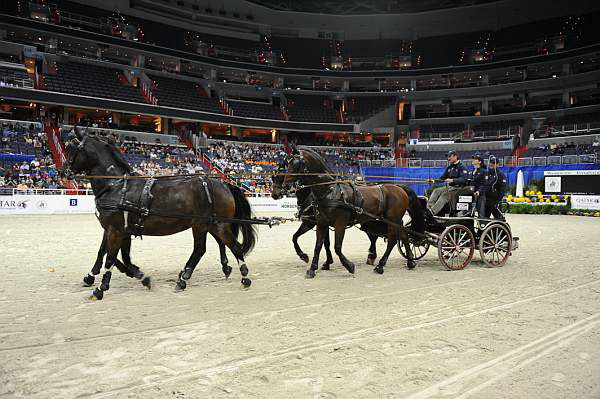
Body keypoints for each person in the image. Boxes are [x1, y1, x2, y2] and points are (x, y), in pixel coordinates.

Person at [426, 150, 469, 217]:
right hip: (449, 188)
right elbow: (442, 178)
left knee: (445, 195)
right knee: (436, 191)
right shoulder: (449, 167)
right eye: (448, 157)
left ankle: (432, 212)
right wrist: (433, 181)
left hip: (458, 188)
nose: (448, 158)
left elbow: (464, 179)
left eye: (450, 156)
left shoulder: (462, 167)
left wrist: (453, 180)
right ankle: (428, 209)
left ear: (455, 157)